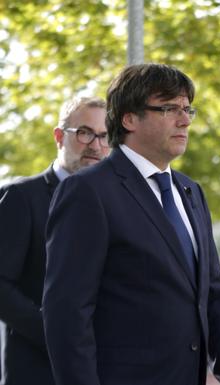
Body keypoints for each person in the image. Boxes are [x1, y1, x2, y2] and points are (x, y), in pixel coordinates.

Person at [42, 64, 220, 385]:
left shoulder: (190, 191)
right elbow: (68, 313)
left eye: (187, 109)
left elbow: (215, 295)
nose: (184, 120)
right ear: (129, 118)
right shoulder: (88, 191)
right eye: (169, 108)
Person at [0, 96, 109, 385]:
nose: (96, 145)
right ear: (59, 137)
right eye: (85, 133)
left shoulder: (114, 204)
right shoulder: (21, 198)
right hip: (39, 371)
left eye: (104, 136)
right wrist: (58, 335)